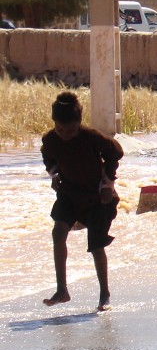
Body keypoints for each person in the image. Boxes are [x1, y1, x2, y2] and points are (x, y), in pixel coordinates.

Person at [40, 91, 123, 310]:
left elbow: (115, 153)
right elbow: (48, 157)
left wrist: (107, 185)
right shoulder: (50, 139)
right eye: (60, 129)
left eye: (71, 130)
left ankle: (104, 294)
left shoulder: (91, 137)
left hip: (96, 196)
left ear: (79, 123)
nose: (65, 135)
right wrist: (54, 174)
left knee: (96, 244)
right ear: (54, 123)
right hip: (69, 193)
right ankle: (62, 290)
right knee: (58, 232)